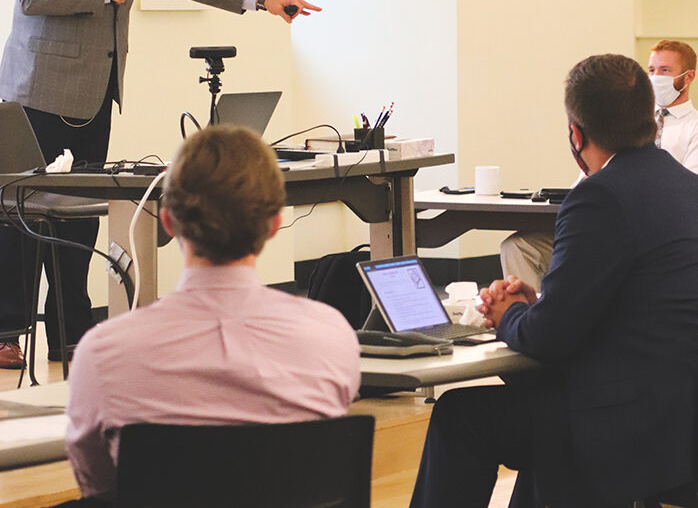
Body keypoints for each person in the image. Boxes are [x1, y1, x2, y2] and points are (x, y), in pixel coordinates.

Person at [0, 0, 321, 368]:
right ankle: (6, 332)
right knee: (20, 216)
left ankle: (68, 331)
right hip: (37, 90)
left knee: (80, 220)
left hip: (95, 93)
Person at [409, 54, 698, 508]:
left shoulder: (598, 196)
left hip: (624, 429)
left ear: (575, 134)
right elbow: (632, 303)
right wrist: (538, 303)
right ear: (649, 118)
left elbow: (549, 338)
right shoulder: (687, 186)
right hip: (681, 422)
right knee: (542, 413)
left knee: (459, 415)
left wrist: (508, 313)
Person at [64, 125, 360, 504]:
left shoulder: (102, 354)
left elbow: (99, 487)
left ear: (168, 222)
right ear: (275, 223)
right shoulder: (333, 336)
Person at [500, 39, 698, 291]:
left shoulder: (693, 128)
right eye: (651, 70)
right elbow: (591, 177)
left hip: (653, 228)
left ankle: (549, 310)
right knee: (518, 246)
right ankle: (532, 304)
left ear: (688, 76)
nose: (656, 77)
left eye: (665, 71)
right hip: (602, 219)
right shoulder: (628, 119)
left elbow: (687, 191)